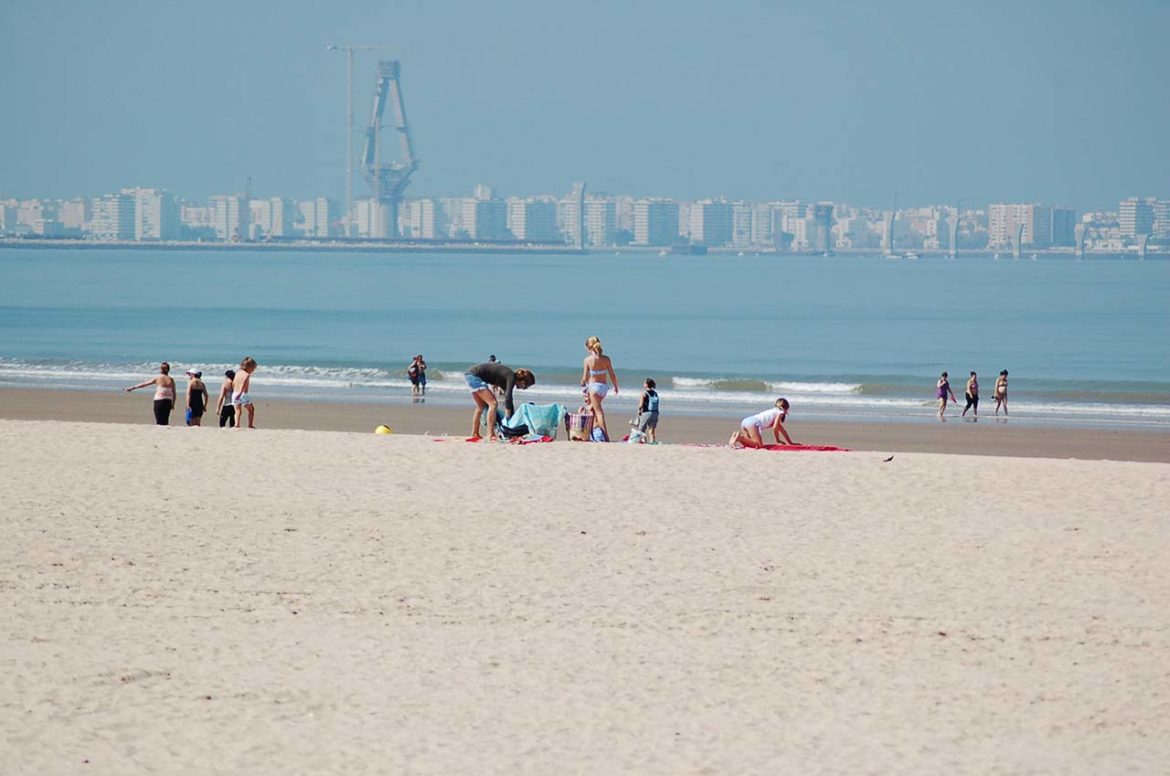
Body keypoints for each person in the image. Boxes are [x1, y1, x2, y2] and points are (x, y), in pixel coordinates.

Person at [464, 361, 536, 441]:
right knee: (493, 404)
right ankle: (490, 434)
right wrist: (508, 419)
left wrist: (511, 418)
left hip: (470, 374)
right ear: (523, 382)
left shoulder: (507, 378)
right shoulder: (511, 377)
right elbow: (508, 398)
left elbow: (509, 400)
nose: (524, 389)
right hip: (475, 377)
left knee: (481, 406)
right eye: (525, 387)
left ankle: (475, 433)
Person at [580, 335, 619, 441]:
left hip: (594, 388)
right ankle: (593, 434)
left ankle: (606, 437)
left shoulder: (588, 360)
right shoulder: (606, 359)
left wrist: (582, 383)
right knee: (591, 409)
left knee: (599, 413)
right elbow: (612, 375)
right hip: (604, 388)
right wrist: (615, 386)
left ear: (589, 347)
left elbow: (584, 378)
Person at [730, 398, 795, 448]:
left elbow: (782, 430)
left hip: (745, 421)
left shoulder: (773, 411)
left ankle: (736, 435)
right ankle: (739, 437)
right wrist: (778, 440)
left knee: (748, 444)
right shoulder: (780, 412)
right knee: (759, 445)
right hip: (753, 423)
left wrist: (789, 443)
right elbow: (775, 427)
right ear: (786, 409)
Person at [232, 356, 258, 430]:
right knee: (251, 409)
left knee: (237, 410)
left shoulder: (238, 373)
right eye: (253, 369)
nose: (253, 370)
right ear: (248, 367)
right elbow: (243, 383)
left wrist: (235, 391)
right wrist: (241, 393)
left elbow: (233, 383)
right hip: (242, 394)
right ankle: (250, 425)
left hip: (235, 393)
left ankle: (237, 424)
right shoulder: (246, 375)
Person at [633, 378, 660, 443]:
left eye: (644, 383)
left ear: (647, 385)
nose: (643, 384)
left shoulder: (644, 393)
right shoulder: (655, 393)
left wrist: (639, 412)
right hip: (655, 413)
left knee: (641, 430)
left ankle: (644, 442)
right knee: (651, 431)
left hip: (646, 413)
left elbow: (640, 405)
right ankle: (652, 442)